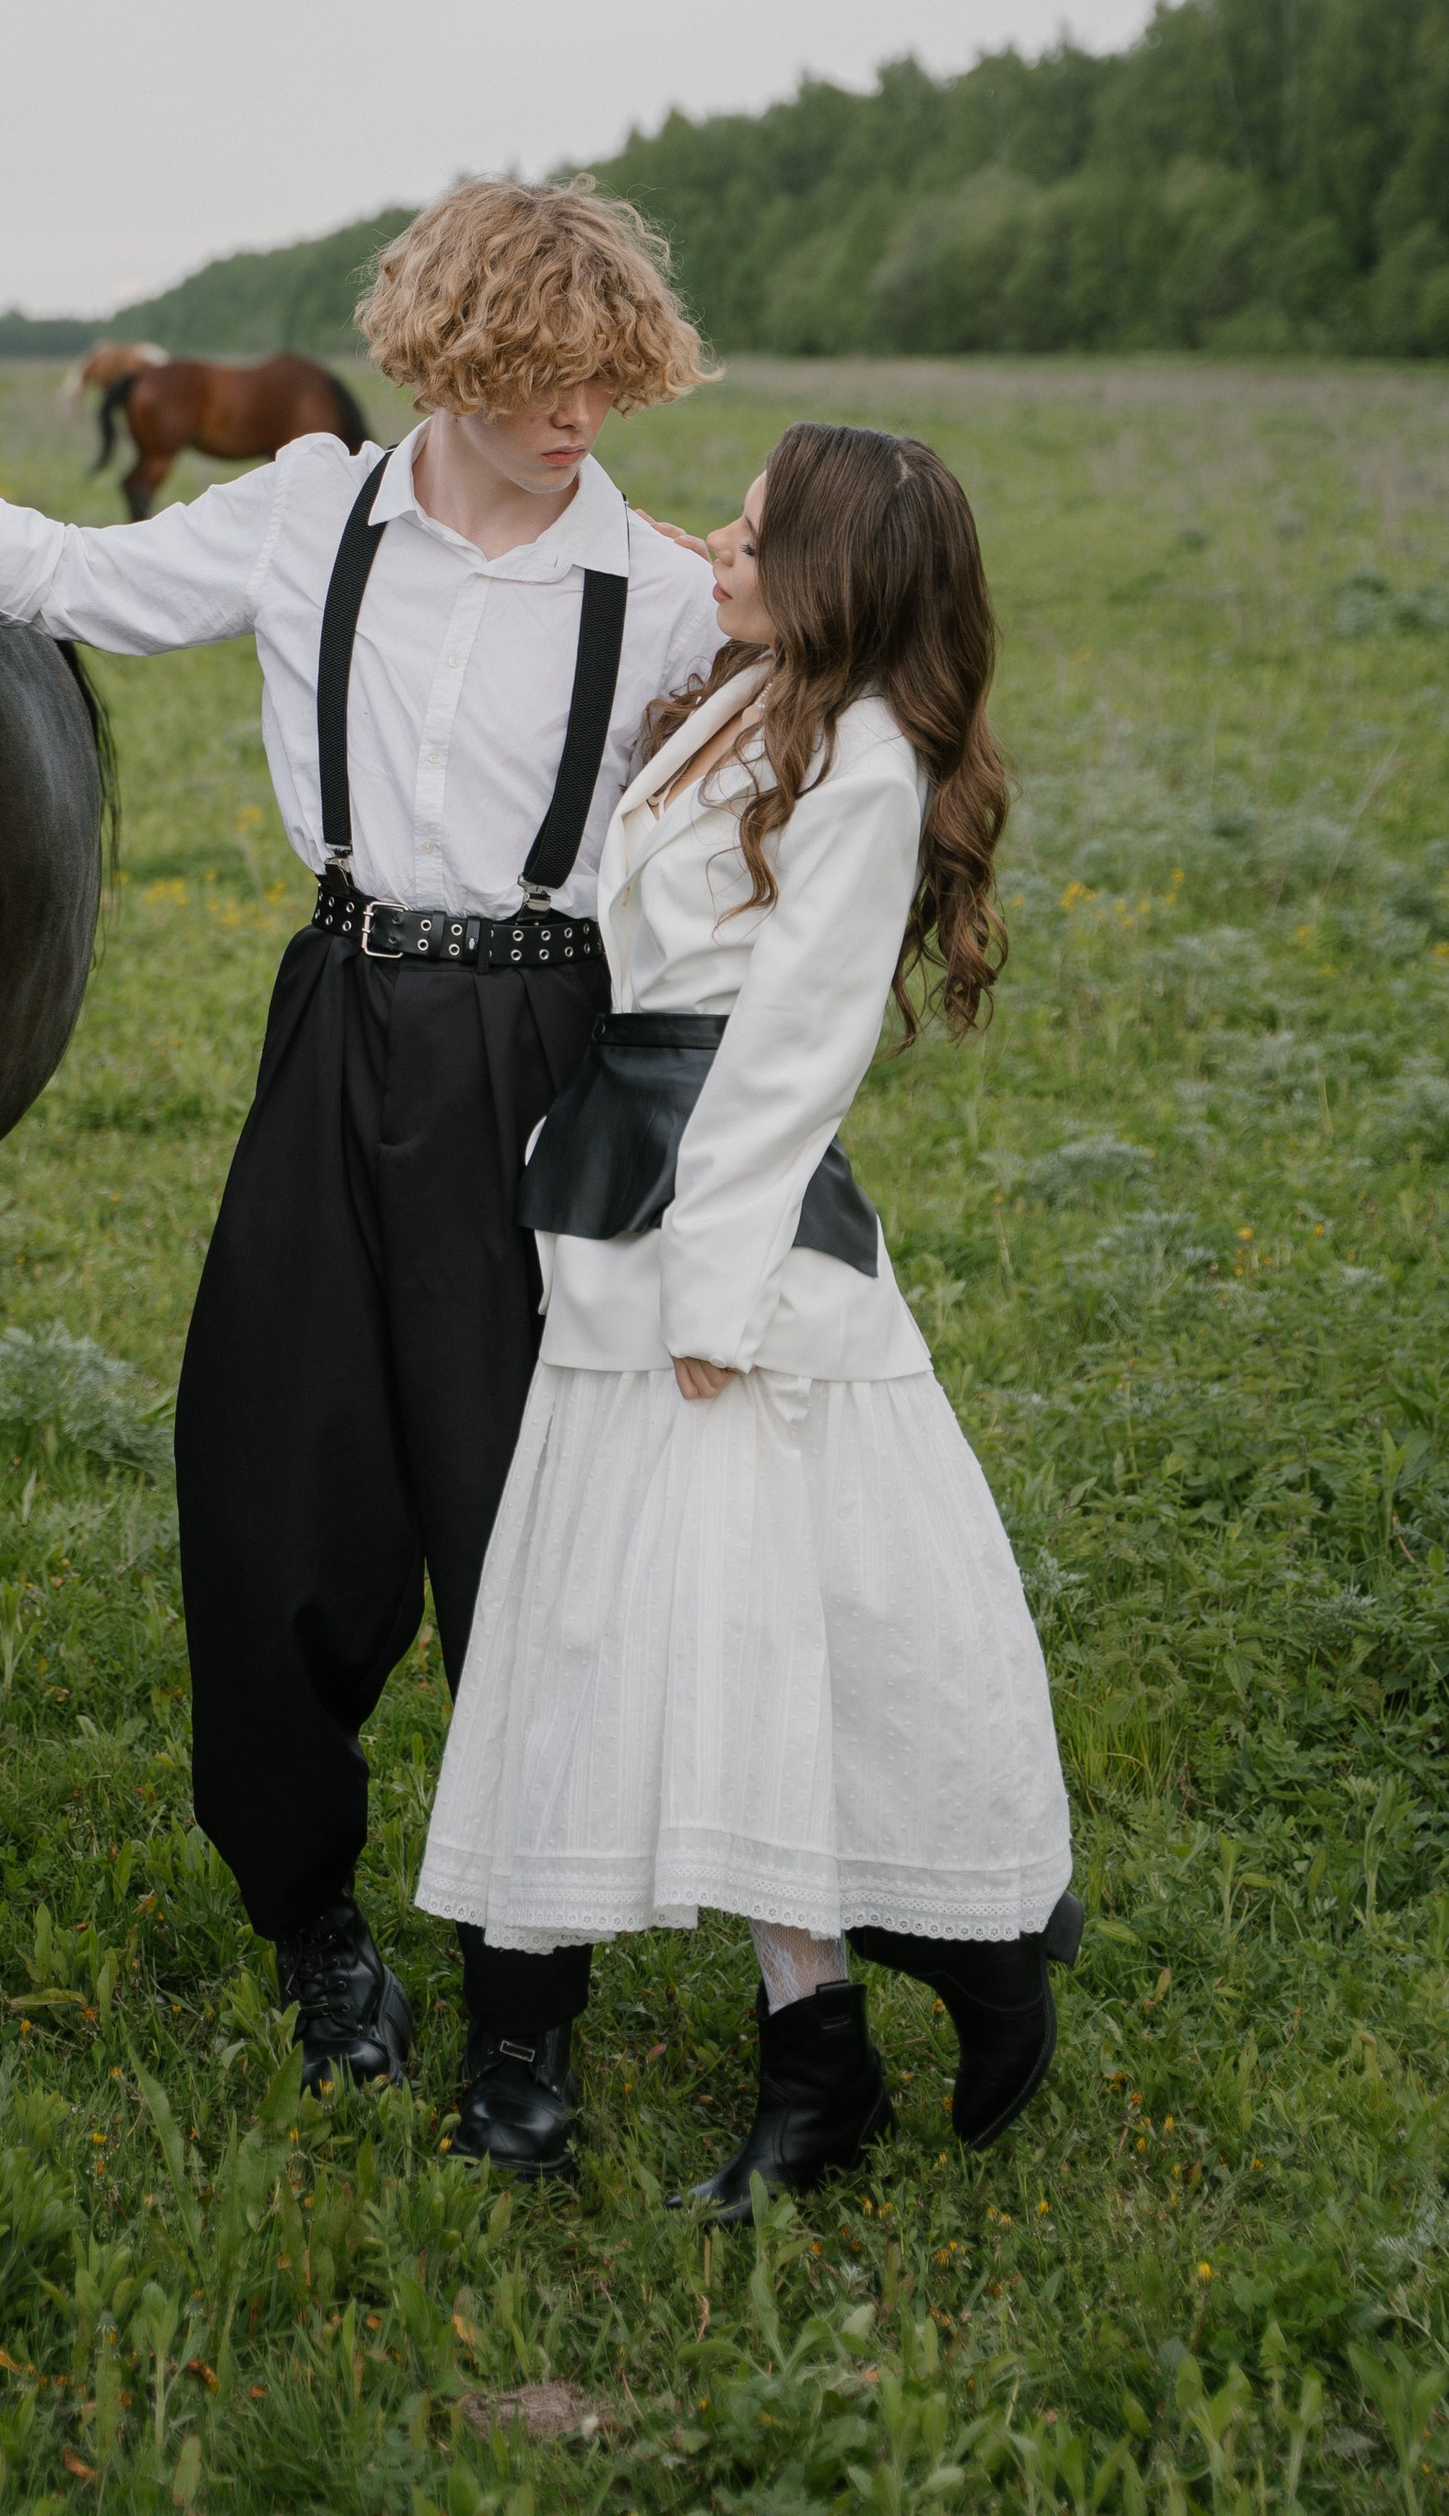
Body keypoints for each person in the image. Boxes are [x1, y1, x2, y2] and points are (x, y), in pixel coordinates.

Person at [0, 179, 723, 2161]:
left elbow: (846, 664)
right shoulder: (312, 514)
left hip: (546, 1050)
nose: (575, 417)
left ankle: (525, 2011)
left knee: (539, 1539)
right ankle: (312, 1917)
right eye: (535, 380)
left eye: (607, 381)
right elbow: (58, 574)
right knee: (267, 1504)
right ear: (445, 358)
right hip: (336, 1025)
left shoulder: (660, 591)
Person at [417, 423, 1077, 2196]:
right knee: (689, 1651)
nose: (719, 537)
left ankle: (901, 2019)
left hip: (740, 1247)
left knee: (775, 1649)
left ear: (838, 571)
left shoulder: (863, 759)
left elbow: (793, 1052)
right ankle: (833, 2059)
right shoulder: (742, 695)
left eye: (758, 530)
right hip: (622, 1208)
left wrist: (716, 1294)